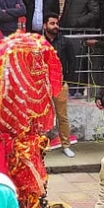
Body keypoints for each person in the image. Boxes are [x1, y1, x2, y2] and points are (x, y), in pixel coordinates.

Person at [43, 14, 76, 156]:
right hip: (42, 85)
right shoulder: (39, 42)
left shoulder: (65, 42)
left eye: (56, 23)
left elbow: (72, 62)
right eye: (52, 23)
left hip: (60, 84)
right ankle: (41, 144)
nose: (55, 26)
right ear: (45, 25)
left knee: (62, 116)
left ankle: (66, 145)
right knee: (41, 116)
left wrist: (67, 80)